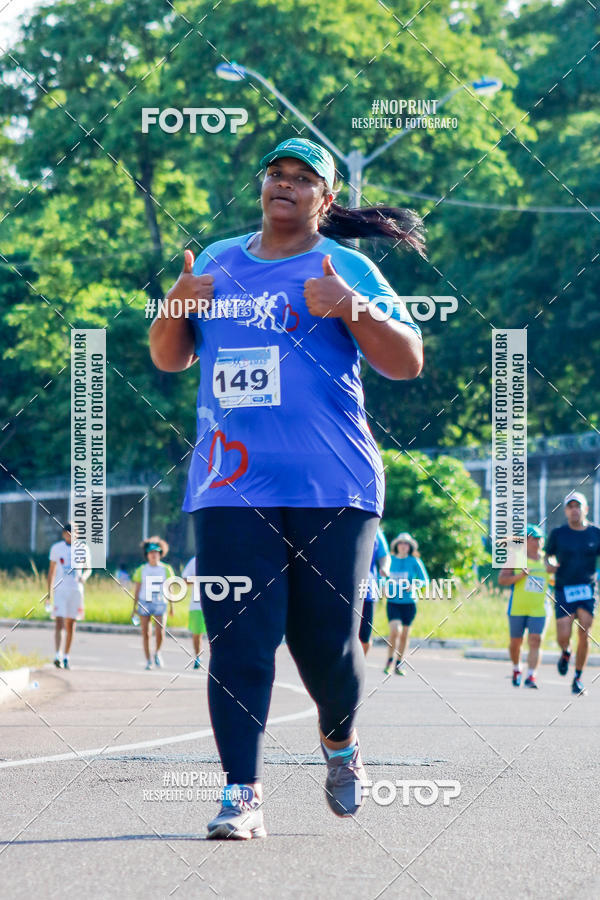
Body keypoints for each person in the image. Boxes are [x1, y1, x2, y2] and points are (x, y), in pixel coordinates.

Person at [149, 136, 425, 839]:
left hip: (333, 484)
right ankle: (242, 794)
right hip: (230, 483)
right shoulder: (216, 262)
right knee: (239, 640)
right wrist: (175, 305)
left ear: (325, 200)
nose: (286, 184)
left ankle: (341, 742)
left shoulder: (347, 267)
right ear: (262, 183)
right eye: (277, 172)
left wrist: (350, 307)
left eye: (304, 179)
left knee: (325, 646)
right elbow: (169, 358)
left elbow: (407, 363)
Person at [545, 492, 600, 695]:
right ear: (566, 511)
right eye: (571, 507)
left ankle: (577, 677)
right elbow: (547, 556)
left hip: (587, 589)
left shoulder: (595, 533)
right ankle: (565, 651)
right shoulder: (558, 533)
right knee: (563, 635)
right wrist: (549, 565)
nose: (574, 510)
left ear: (585, 509)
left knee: (585, 632)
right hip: (564, 589)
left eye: (578, 506)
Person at [498, 524, 551, 688]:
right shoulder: (516, 558)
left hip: (539, 608)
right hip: (517, 607)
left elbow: (555, 579)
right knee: (516, 643)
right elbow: (502, 580)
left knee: (536, 640)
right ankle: (516, 668)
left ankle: (531, 675)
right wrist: (520, 576)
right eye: (533, 539)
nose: (537, 542)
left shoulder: (547, 560)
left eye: (539, 538)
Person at [384, 533, 429, 675]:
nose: (403, 546)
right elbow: (382, 576)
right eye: (401, 543)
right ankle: (389, 661)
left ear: (410, 547)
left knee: (404, 634)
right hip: (393, 602)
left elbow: (424, 580)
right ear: (396, 545)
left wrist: (415, 584)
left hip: (409, 603)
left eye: (406, 544)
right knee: (395, 631)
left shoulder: (414, 561)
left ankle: (399, 663)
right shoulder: (389, 560)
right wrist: (383, 586)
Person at [47, 523, 90, 670]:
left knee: (71, 624)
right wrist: (49, 594)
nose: (70, 535)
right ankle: (57, 655)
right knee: (59, 621)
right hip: (60, 590)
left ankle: (66, 656)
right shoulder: (56, 548)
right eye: (67, 532)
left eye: (73, 532)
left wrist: (84, 576)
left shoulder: (83, 548)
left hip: (75, 590)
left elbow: (88, 568)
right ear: (63, 534)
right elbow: (51, 572)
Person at [131, 537, 175, 670]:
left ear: (160, 553)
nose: (153, 554)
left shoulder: (166, 569)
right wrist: (134, 608)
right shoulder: (142, 569)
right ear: (147, 554)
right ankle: (148, 660)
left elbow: (170, 588)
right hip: (145, 602)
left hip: (160, 602)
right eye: (151, 552)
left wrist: (172, 606)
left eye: (156, 552)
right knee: (146, 633)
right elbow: (137, 589)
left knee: (160, 631)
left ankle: (157, 652)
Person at [360, 526, 391, 655]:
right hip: (343, 587)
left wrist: (384, 568)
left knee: (364, 637)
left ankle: (360, 662)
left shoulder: (375, 529)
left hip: (367, 589)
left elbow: (384, 555)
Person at [181, 556, 206, 669]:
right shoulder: (195, 560)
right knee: (197, 633)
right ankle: (198, 657)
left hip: (217, 604)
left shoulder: (219, 558)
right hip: (197, 605)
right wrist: (198, 578)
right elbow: (184, 579)